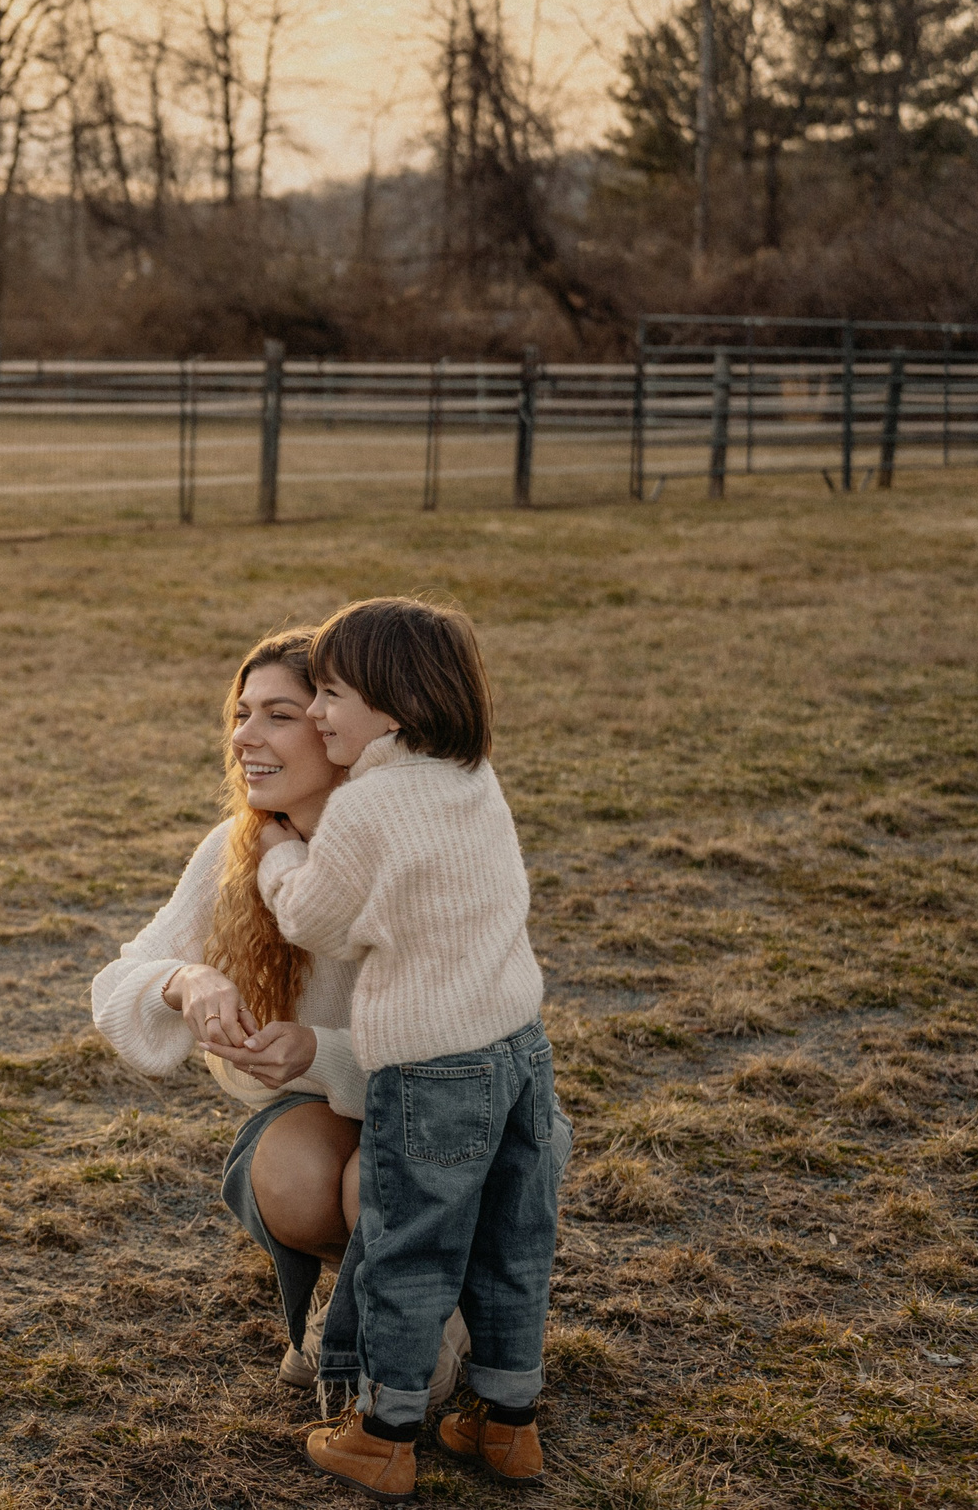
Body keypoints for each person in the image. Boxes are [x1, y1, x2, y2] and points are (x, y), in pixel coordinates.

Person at [91, 628, 466, 1409]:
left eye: (279, 715)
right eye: (241, 712)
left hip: (452, 1109)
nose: (243, 738)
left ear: (342, 731)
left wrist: (314, 1051)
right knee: (290, 1177)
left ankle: (439, 1311)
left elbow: (451, 1056)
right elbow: (117, 982)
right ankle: (363, 1289)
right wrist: (185, 980)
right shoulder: (240, 846)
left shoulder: (412, 855)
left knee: (378, 1181)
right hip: (340, 1109)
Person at [257, 597, 571, 1499]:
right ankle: (508, 1424)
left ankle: (385, 1430)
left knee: (408, 1245)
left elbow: (316, 917)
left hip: (431, 1072)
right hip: (519, 1049)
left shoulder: (366, 807)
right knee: (513, 1238)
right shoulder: (474, 778)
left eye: (333, 696)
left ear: (393, 706)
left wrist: (281, 856)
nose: (316, 713)